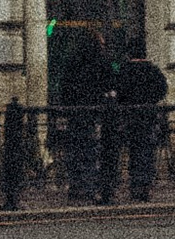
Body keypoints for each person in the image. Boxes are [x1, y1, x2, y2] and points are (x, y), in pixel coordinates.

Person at [56, 28, 111, 202]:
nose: (104, 46)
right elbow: (108, 83)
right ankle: (89, 188)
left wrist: (66, 107)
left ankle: (76, 187)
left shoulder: (73, 61)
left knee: (75, 150)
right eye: (102, 43)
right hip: (92, 112)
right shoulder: (100, 61)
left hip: (75, 112)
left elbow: (65, 87)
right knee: (90, 151)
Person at [113, 37, 168, 201]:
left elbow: (118, 91)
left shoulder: (124, 70)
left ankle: (135, 185)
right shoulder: (153, 70)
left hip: (129, 116)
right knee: (147, 151)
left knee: (133, 151)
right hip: (148, 116)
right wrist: (150, 100)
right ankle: (145, 186)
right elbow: (163, 89)